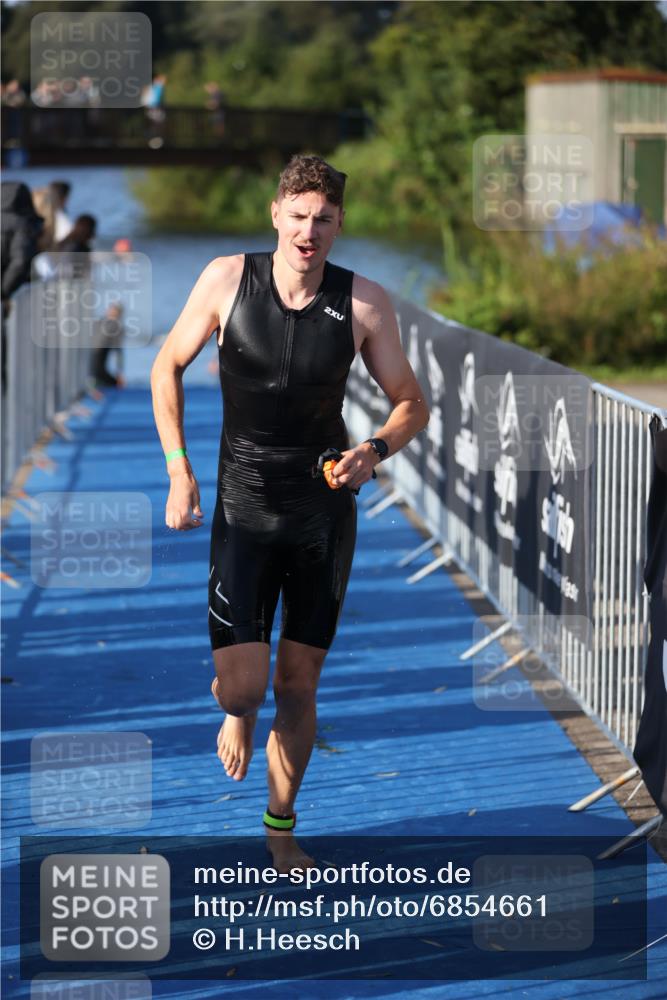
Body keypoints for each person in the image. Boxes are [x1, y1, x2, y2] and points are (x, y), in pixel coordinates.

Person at [150, 154, 429, 873]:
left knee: (298, 683)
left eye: (324, 219)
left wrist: (373, 449)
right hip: (241, 506)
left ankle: (280, 826)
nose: (309, 231)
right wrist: (179, 473)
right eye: (297, 216)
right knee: (244, 688)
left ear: (339, 224)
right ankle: (234, 709)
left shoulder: (364, 304)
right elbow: (165, 366)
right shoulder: (224, 279)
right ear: (276, 215)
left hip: (320, 512)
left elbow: (411, 401)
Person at [90, 303, 125, 388]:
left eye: (115, 311)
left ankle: (115, 384)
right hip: (91, 350)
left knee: (98, 372)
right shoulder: (99, 322)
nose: (111, 312)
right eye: (111, 310)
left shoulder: (117, 327)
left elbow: (118, 350)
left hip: (101, 351)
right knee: (94, 373)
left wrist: (119, 372)